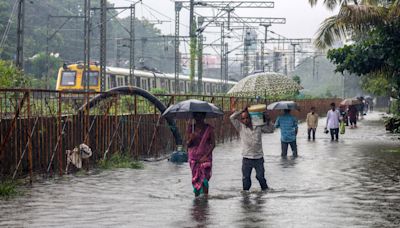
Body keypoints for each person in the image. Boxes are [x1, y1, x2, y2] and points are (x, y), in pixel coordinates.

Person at [230, 107, 273, 191]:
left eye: (247, 118)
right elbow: (232, 118)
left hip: (258, 158)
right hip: (246, 158)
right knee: (246, 181)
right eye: (243, 118)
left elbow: (271, 130)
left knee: (260, 177)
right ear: (241, 120)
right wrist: (241, 110)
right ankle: (246, 200)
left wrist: (268, 120)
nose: (245, 120)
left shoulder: (258, 126)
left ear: (251, 118)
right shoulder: (240, 127)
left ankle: (264, 196)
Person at [186, 112, 216, 197]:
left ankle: (205, 199)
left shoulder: (209, 129)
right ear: (194, 117)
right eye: (196, 116)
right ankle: (197, 199)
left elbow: (213, 144)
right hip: (194, 159)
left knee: (204, 180)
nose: (198, 118)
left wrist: (205, 156)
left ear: (204, 116)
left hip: (205, 158)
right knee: (196, 179)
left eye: (201, 116)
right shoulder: (191, 128)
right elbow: (187, 145)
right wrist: (191, 139)